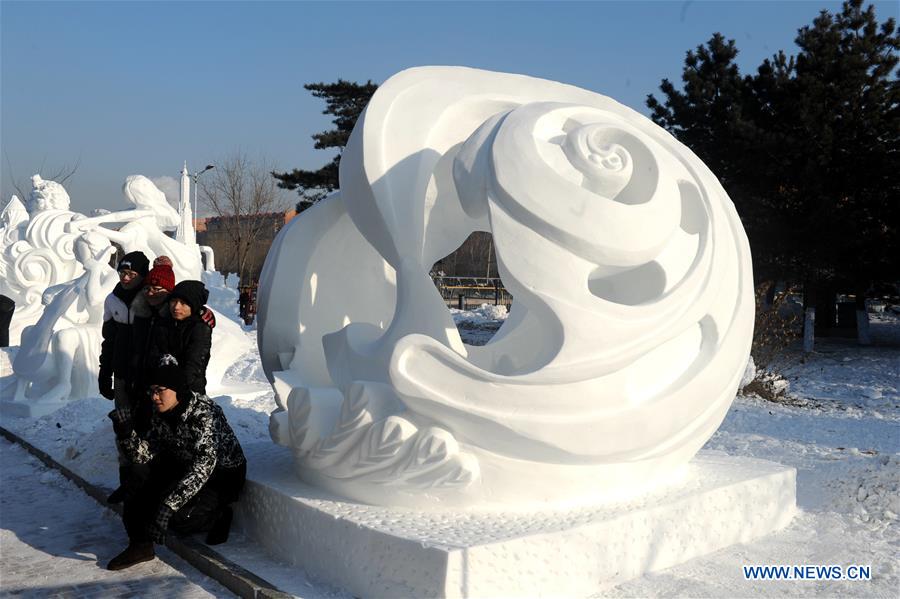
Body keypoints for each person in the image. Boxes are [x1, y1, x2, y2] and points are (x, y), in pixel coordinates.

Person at [106, 360, 246, 570]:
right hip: (184, 463)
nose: (154, 397)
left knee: (176, 519)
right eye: (152, 391)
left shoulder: (204, 413)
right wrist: (125, 433)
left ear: (177, 389)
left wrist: (168, 506)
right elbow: (144, 456)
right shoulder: (161, 412)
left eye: (160, 390)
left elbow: (203, 468)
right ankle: (140, 546)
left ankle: (217, 515)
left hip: (221, 476)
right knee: (136, 478)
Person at [98, 251, 149, 499]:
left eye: (132, 273)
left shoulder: (151, 296)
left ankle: (146, 483)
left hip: (146, 376)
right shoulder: (112, 300)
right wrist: (104, 373)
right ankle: (127, 482)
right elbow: (108, 341)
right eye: (122, 272)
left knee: (146, 428)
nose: (126, 278)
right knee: (124, 428)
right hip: (121, 375)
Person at [148, 280, 213, 395]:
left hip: (188, 391)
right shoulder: (164, 323)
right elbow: (154, 356)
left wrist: (174, 391)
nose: (176, 307)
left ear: (193, 306)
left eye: (183, 303)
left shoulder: (200, 328)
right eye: (174, 301)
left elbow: (193, 365)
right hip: (160, 390)